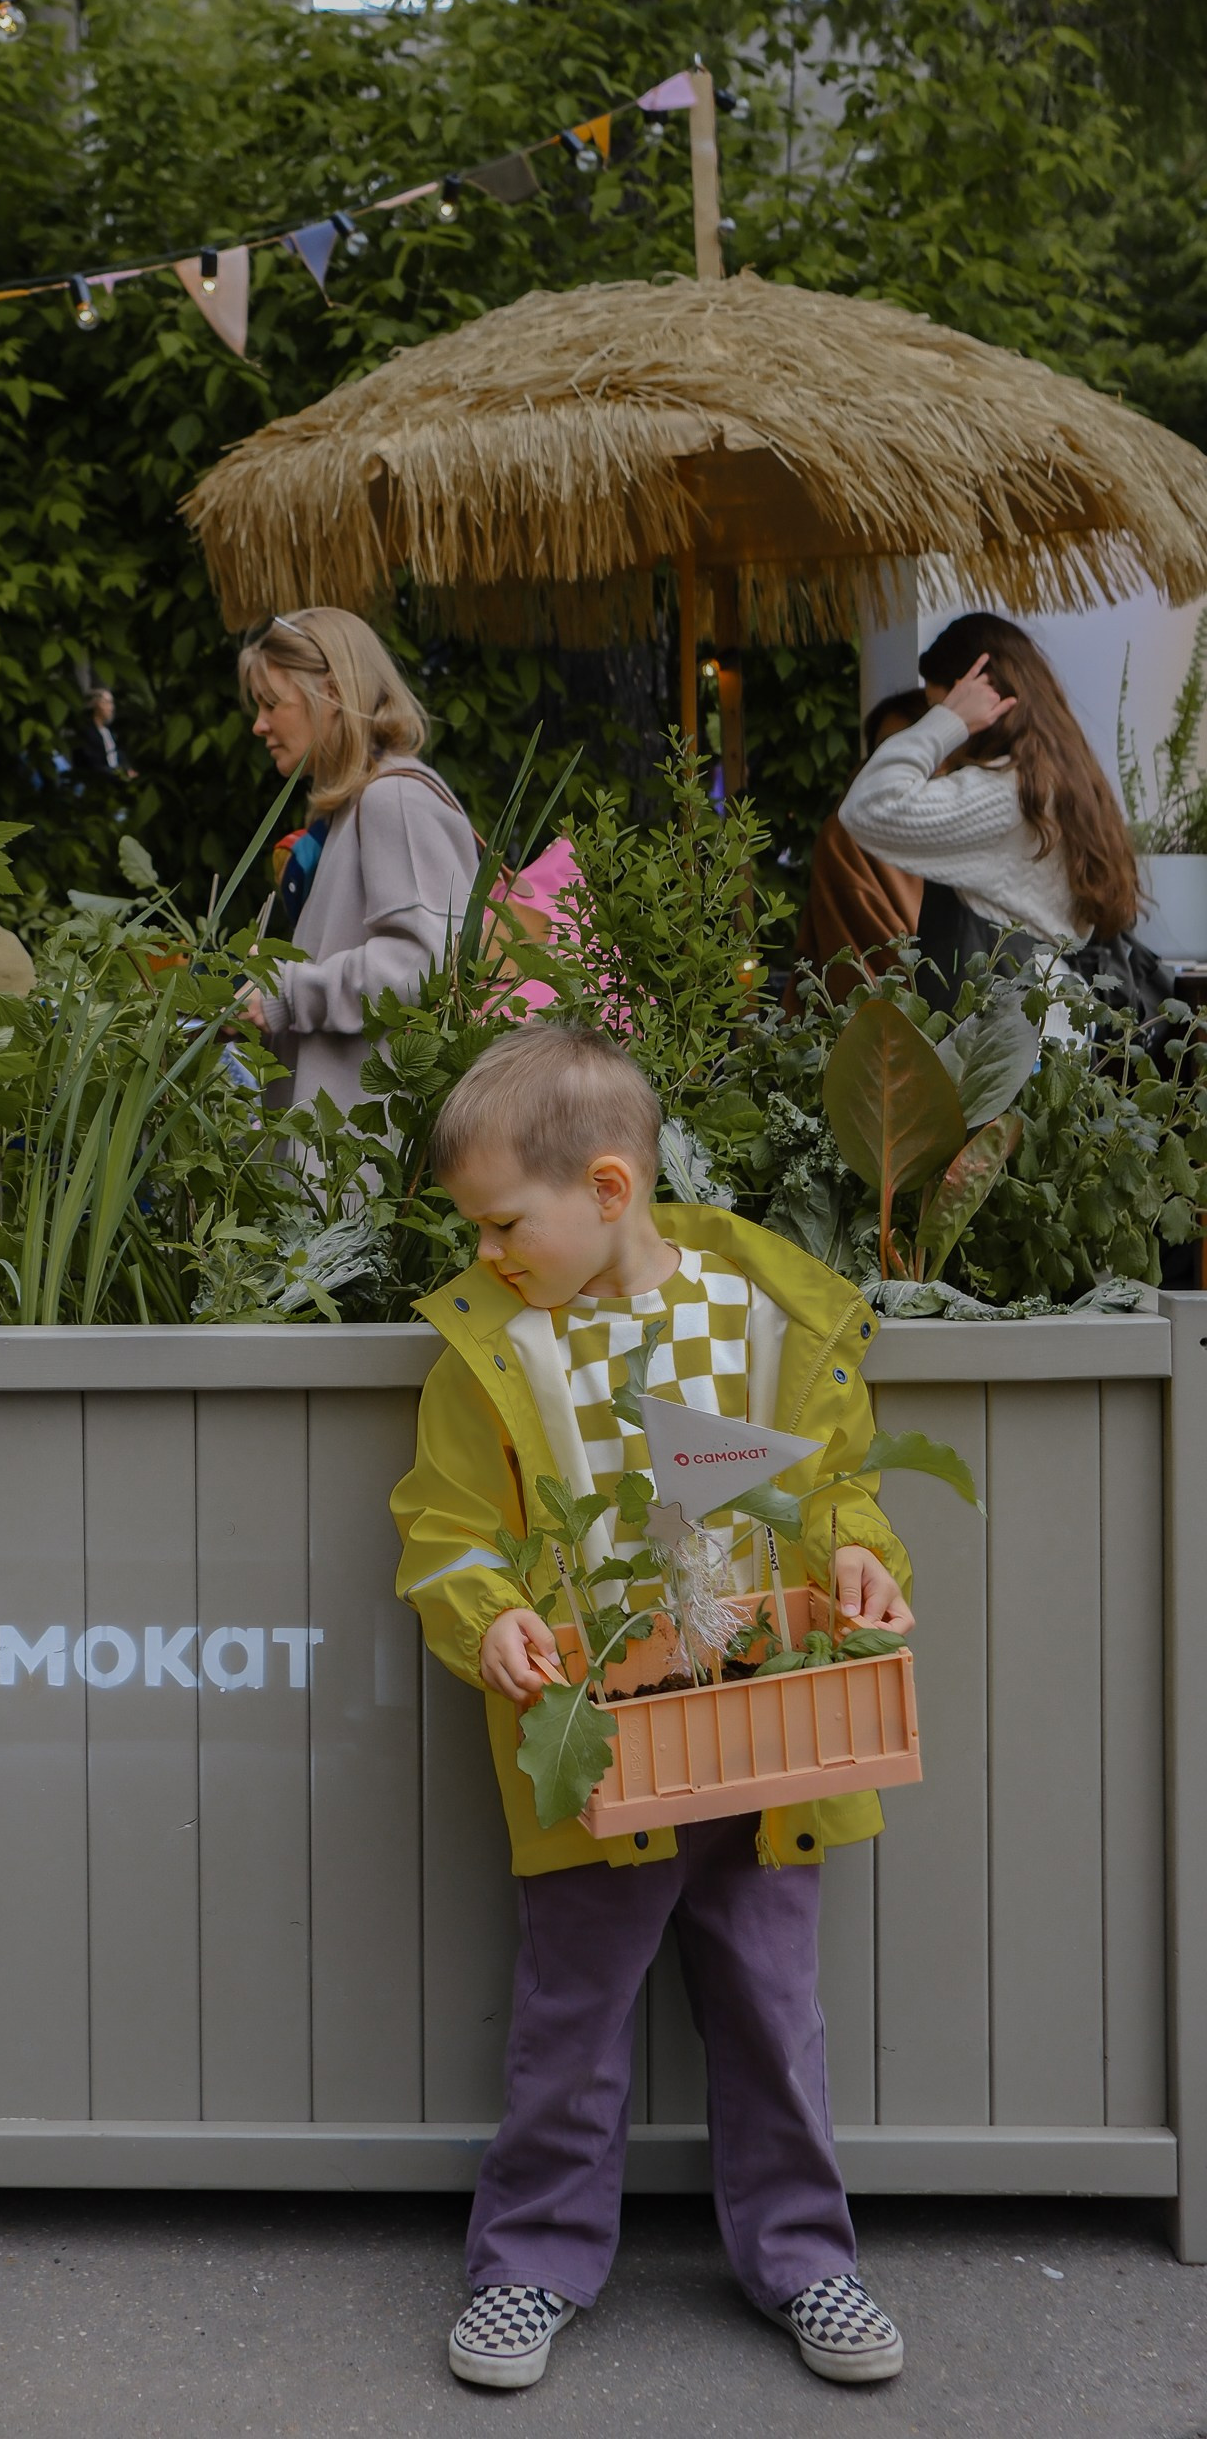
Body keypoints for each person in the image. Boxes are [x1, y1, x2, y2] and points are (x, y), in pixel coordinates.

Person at [393, 1019, 913, 2393]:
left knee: (772, 2013)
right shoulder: (495, 1349)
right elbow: (445, 1528)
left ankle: (805, 2259)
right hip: (595, 1752)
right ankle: (528, 2264)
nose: (485, 1252)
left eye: (504, 1223)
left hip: (764, 1739)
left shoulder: (764, 1319)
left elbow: (832, 1486)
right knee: (569, 2022)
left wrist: (858, 1559)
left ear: (609, 1188)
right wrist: (490, 1618)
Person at [239, 608, 477, 1117]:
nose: (259, 724)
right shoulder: (355, 807)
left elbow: (427, 963)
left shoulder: (393, 800)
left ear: (332, 693)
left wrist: (288, 990)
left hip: (372, 1141)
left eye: (272, 703)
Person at [837, 611, 1142, 1007]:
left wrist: (948, 720)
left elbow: (868, 806)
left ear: (978, 699)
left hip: (1004, 1022)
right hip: (1041, 1012)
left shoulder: (1008, 793)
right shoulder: (1058, 780)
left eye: (938, 705)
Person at [789, 687, 928, 995]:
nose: (896, 762)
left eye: (910, 747)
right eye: (885, 751)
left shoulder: (966, 825)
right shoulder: (845, 838)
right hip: (884, 1016)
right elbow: (873, 973)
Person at [72, 683, 134, 783]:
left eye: (111, 703)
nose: (111, 707)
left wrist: (127, 769)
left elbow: (118, 753)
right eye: (107, 702)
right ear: (95, 705)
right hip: (99, 782)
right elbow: (92, 764)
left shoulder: (109, 731)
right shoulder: (87, 732)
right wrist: (117, 774)